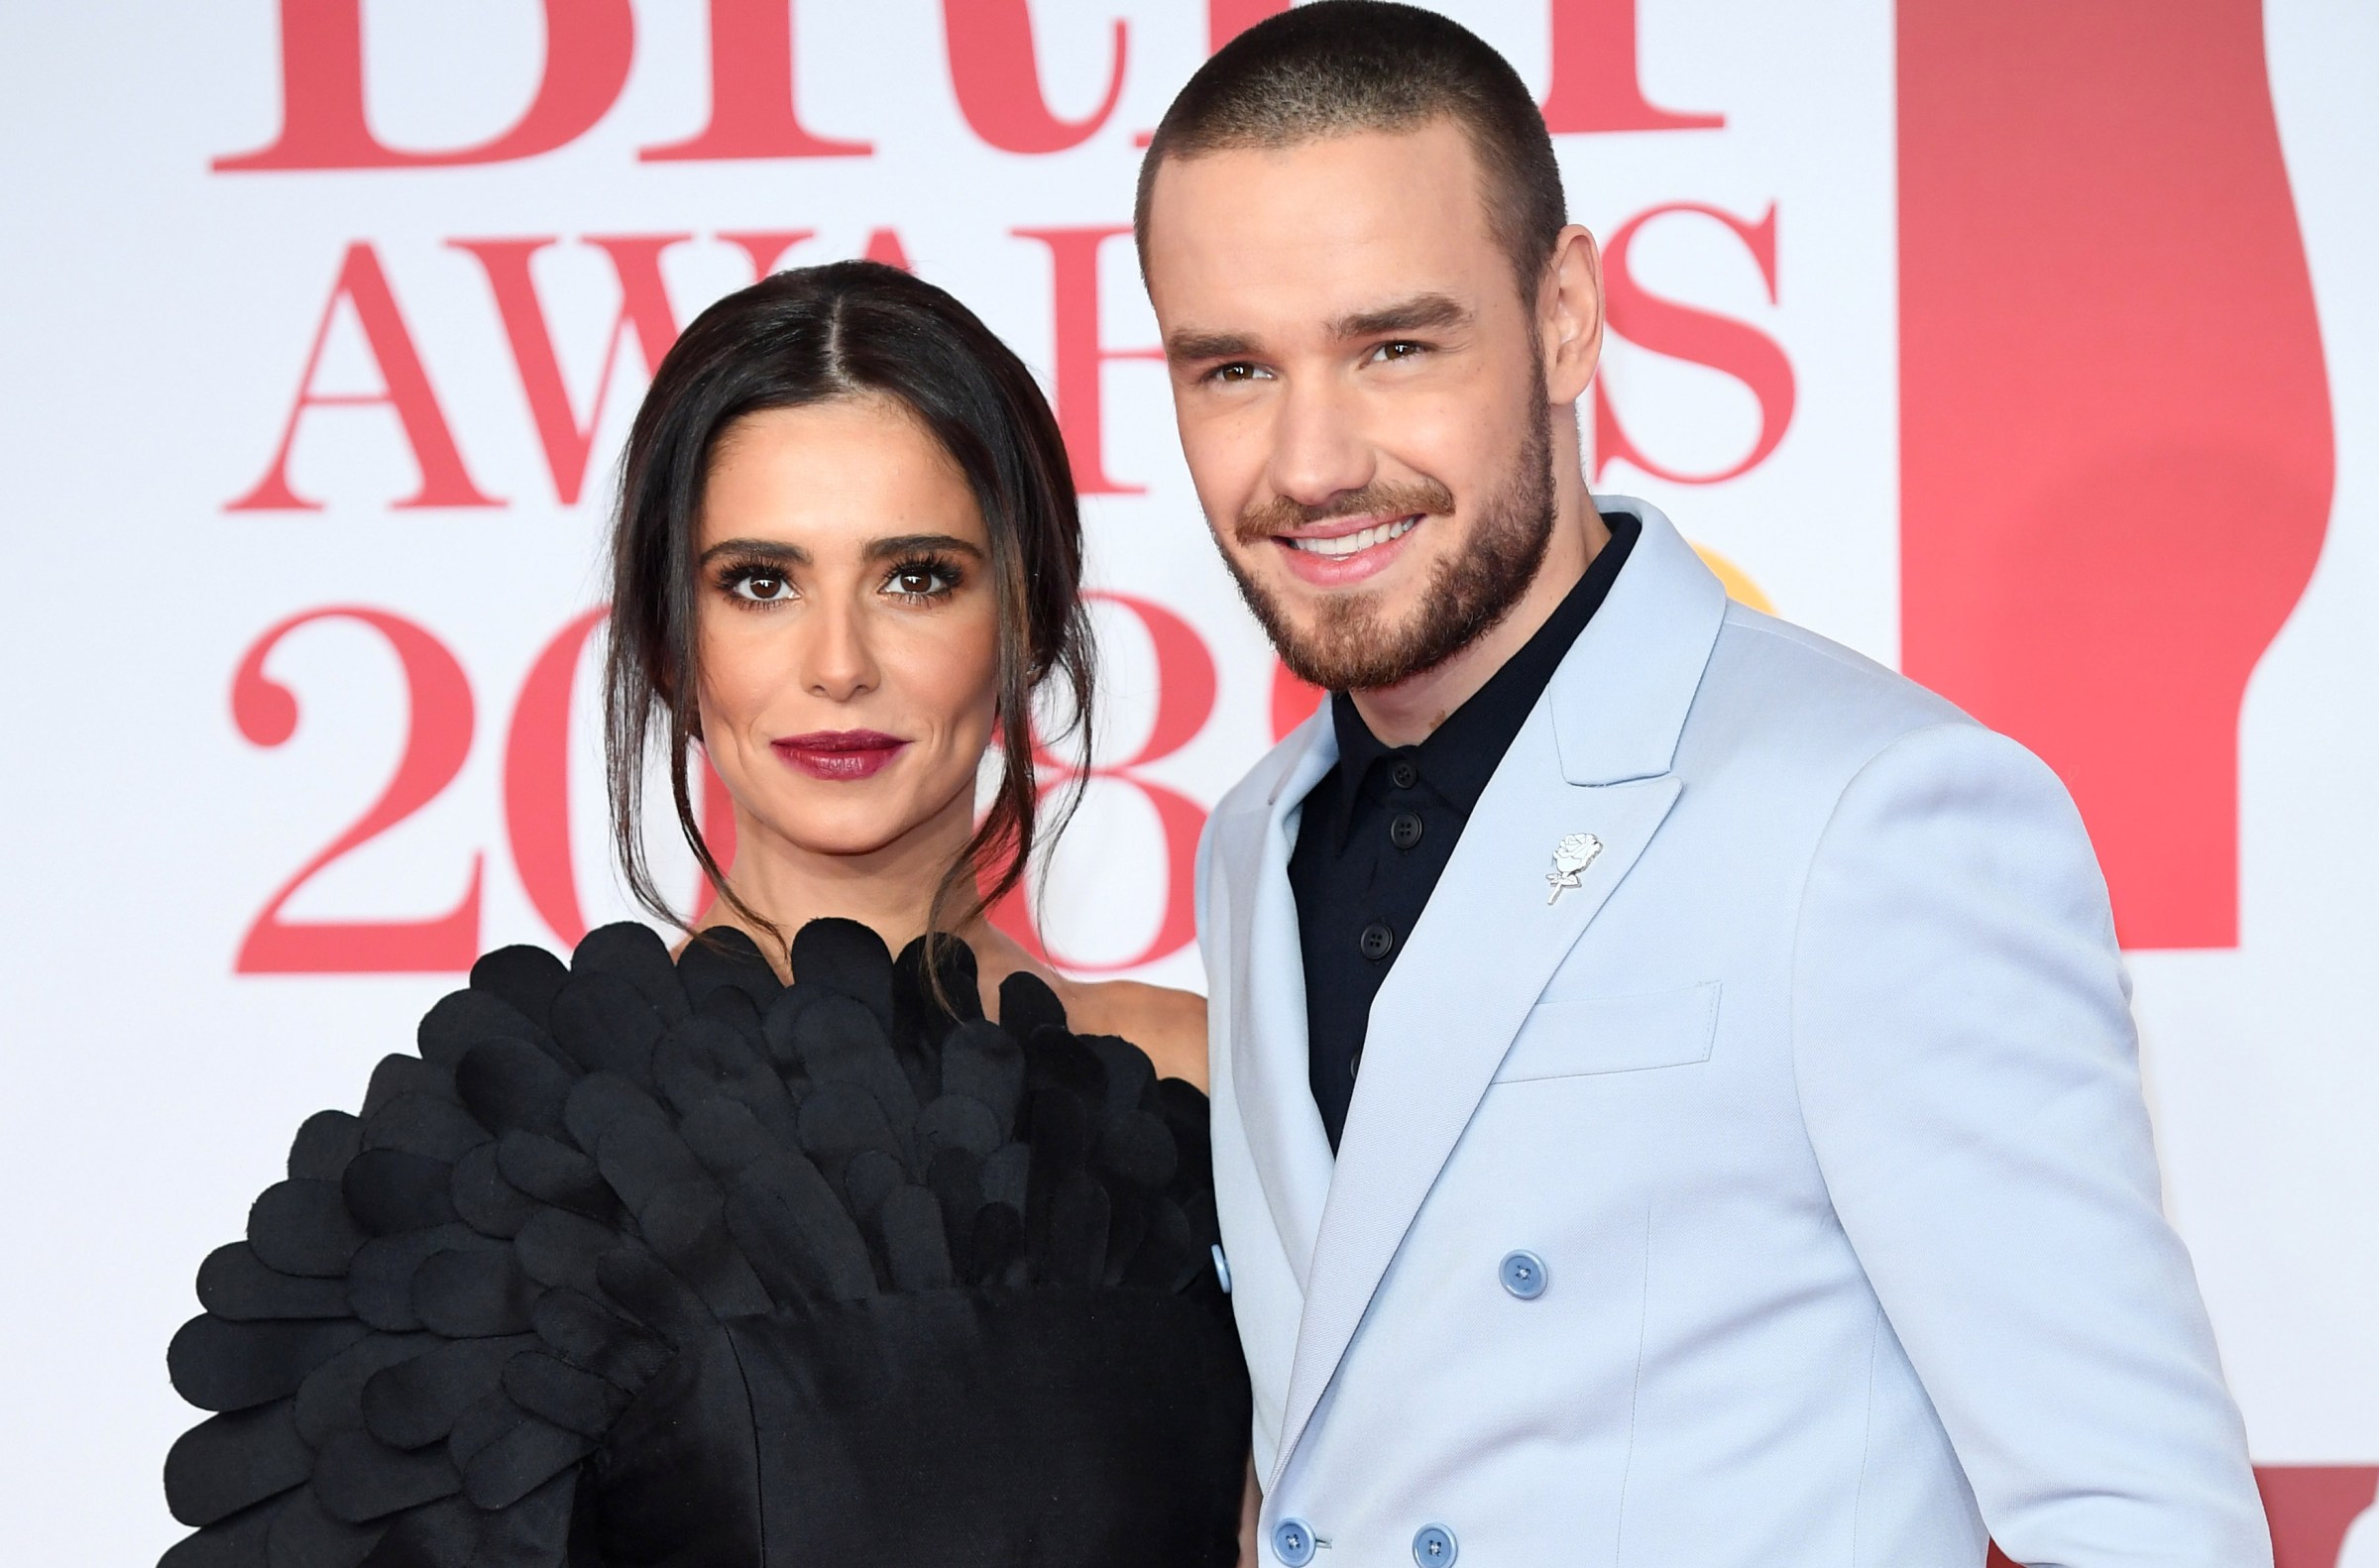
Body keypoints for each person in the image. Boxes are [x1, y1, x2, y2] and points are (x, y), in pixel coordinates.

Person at [1139, 5, 2269, 1565]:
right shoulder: (1253, 840)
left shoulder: (1873, 815)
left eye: (1395, 345)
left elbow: (2146, 1522)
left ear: (1565, 319)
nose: (1314, 458)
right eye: (1234, 368)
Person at [158, 262, 1253, 1567]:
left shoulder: (1223, 1085)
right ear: (672, 640)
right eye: (759, 582)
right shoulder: (516, 1165)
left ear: (1028, 616)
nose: (838, 661)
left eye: (916, 577)